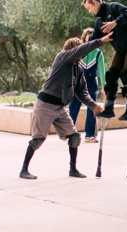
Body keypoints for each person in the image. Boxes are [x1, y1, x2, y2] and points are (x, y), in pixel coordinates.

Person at [19, 31, 112, 180]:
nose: (81, 54)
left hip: (60, 107)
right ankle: (24, 169)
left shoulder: (78, 69)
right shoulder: (62, 57)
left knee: (75, 137)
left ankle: (73, 169)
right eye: (79, 49)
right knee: (38, 140)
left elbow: (82, 92)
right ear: (73, 50)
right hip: (45, 104)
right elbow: (80, 50)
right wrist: (99, 41)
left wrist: (93, 106)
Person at [82, 0, 127, 122]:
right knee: (111, 75)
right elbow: (92, 41)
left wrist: (115, 22)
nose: (89, 11)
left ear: (94, 2)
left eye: (89, 8)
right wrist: (78, 51)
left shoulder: (113, 7)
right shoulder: (99, 22)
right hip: (120, 50)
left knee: (126, 75)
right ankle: (109, 109)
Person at [67, 27, 106, 143]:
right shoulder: (79, 51)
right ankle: (69, 132)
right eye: (89, 38)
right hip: (77, 85)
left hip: (91, 85)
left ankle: (90, 134)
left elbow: (102, 71)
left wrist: (104, 86)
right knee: (73, 107)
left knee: (92, 109)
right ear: (84, 38)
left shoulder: (99, 53)